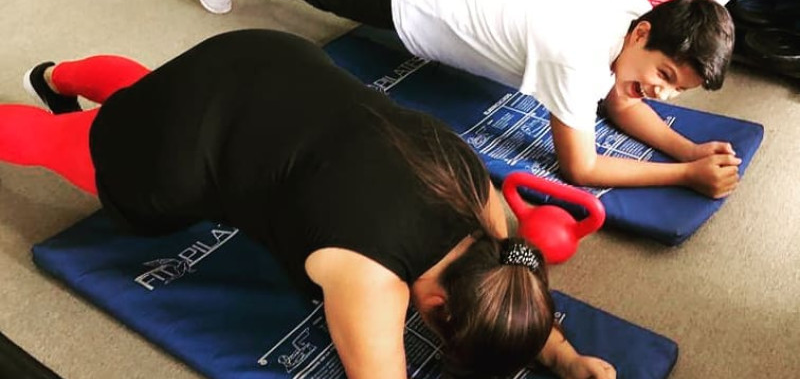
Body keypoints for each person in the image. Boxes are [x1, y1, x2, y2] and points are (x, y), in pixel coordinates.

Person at [6, 29, 615, 379]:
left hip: (266, 59)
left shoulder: (475, 191)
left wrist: (564, 357)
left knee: (150, 95)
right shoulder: (372, 280)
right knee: (65, 143)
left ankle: (58, 75)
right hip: (183, 140)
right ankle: (59, 106)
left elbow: (514, 280)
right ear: (433, 307)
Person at [197, 0, 742, 200]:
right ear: (644, 36)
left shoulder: (634, 9)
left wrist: (687, 148)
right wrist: (684, 175)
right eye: (664, 76)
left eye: (677, 89)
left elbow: (622, 102)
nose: (662, 93)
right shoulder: (577, 56)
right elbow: (581, 168)